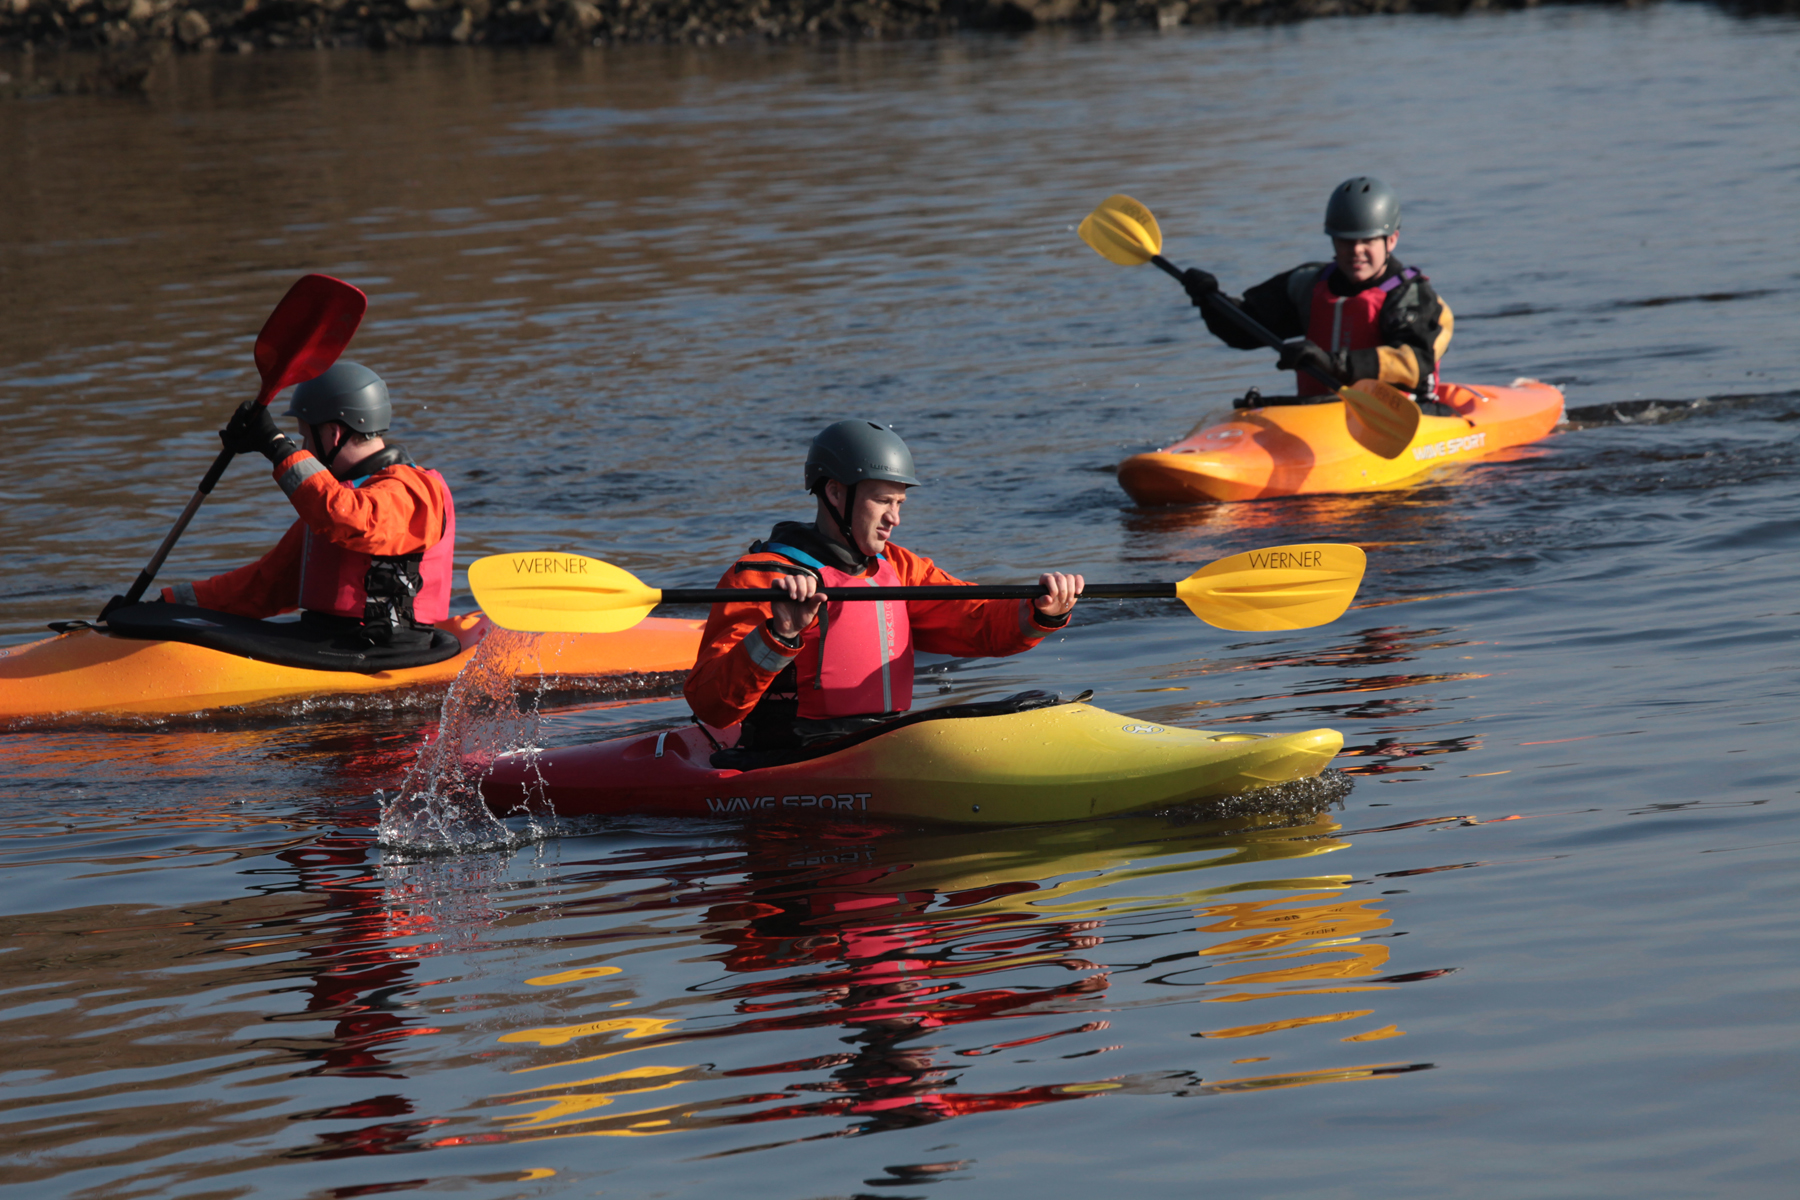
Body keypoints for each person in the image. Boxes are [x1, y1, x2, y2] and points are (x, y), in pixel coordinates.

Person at [682, 420, 1083, 750]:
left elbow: (974, 619)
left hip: (880, 742)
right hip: (791, 753)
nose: (895, 518)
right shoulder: (763, 577)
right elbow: (712, 707)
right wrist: (780, 634)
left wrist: (1041, 611)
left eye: (900, 504)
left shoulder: (900, 569)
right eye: (882, 501)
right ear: (835, 493)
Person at [159, 361, 456, 649]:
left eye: (304, 436)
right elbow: (264, 586)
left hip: (383, 649)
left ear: (333, 433)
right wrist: (168, 607)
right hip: (326, 639)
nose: (303, 449)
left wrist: (276, 446)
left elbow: (353, 519)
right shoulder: (333, 501)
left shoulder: (414, 490)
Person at [1181, 176, 1454, 410]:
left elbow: (1413, 363)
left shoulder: (1412, 296)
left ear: (1391, 239)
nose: (1356, 251)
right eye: (1346, 241)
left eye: (1367, 240)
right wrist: (1209, 300)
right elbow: (1245, 330)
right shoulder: (1308, 284)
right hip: (1319, 416)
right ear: (1333, 240)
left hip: (1395, 417)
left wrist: (1333, 364)